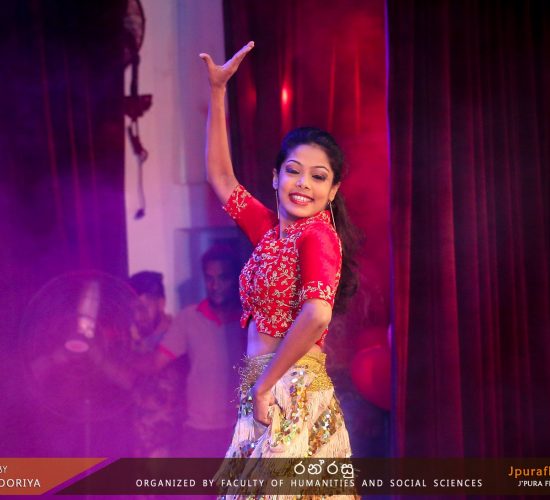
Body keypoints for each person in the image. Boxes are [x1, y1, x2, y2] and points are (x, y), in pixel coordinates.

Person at [199, 41, 359, 464]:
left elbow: (318, 313)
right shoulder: (271, 231)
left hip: (292, 389)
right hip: (267, 386)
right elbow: (220, 177)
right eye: (293, 171)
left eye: (318, 177)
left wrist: (265, 385)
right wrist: (218, 90)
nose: (303, 183)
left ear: (332, 191)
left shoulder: (317, 236)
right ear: (275, 177)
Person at [151, 245, 247, 457]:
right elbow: (155, 363)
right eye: (209, 278)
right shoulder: (189, 318)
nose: (215, 285)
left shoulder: (250, 321)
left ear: (236, 279)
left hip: (239, 430)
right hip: (197, 432)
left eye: (223, 278)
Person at [127, 271, 182, 457]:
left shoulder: (176, 339)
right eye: (133, 309)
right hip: (142, 448)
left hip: (171, 451)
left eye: (143, 307)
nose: (138, 316)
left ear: (161, 303)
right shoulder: (139, 341)